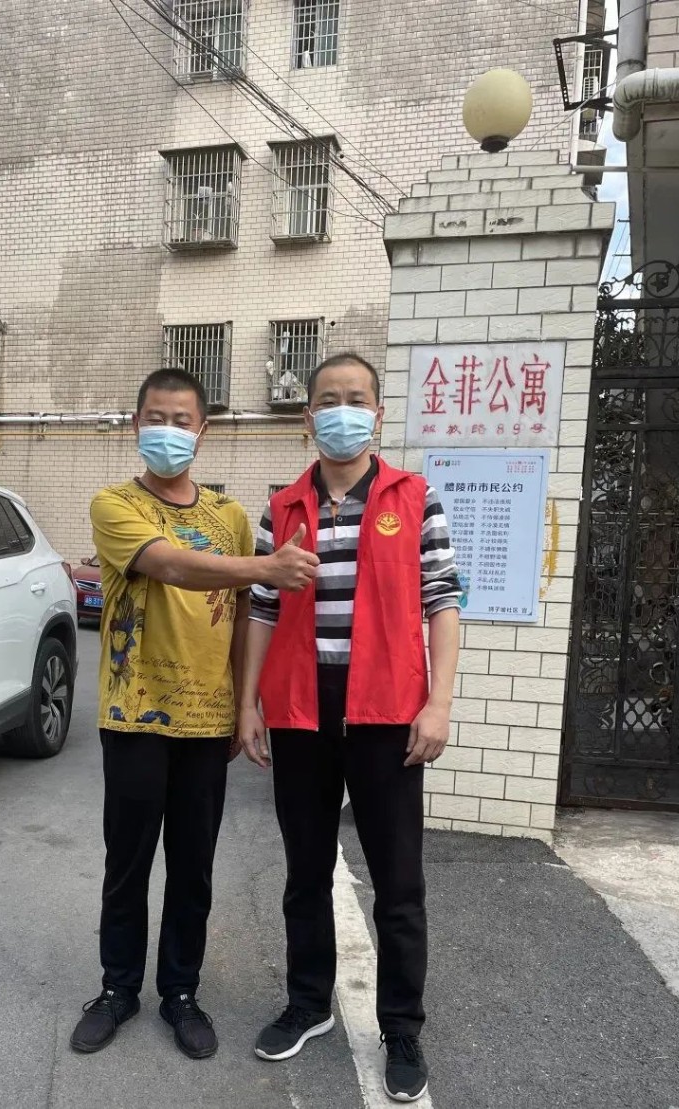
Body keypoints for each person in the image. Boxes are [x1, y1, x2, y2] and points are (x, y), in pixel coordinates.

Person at [71, 367, 319, 1061]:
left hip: (208, 724)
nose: (168, 430)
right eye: (156, 417)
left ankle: (180, 991)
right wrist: (266, 568)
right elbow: (171, 566)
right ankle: (117, 989)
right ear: (135, 424)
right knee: (127, 864)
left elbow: (241, 617)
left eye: (182, 420)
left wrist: (246, 705)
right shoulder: (113, 504)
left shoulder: (230, 517)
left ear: (202, 430)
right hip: (134, 714)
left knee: (192, 869)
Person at [237, 353, 461, 1103]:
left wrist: (438, 703)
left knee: (397, 880)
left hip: (387, 712)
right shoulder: (282, 507)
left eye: (356, 399)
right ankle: (309, 1003)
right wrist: (249, 703)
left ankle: (401, 1026)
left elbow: (442, 601)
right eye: (328, 400)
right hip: (302, 708)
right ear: (308, 417)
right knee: (305, 870)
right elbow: (262, 608)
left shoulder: (414, 497)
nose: (342, 411)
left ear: (378, 414)